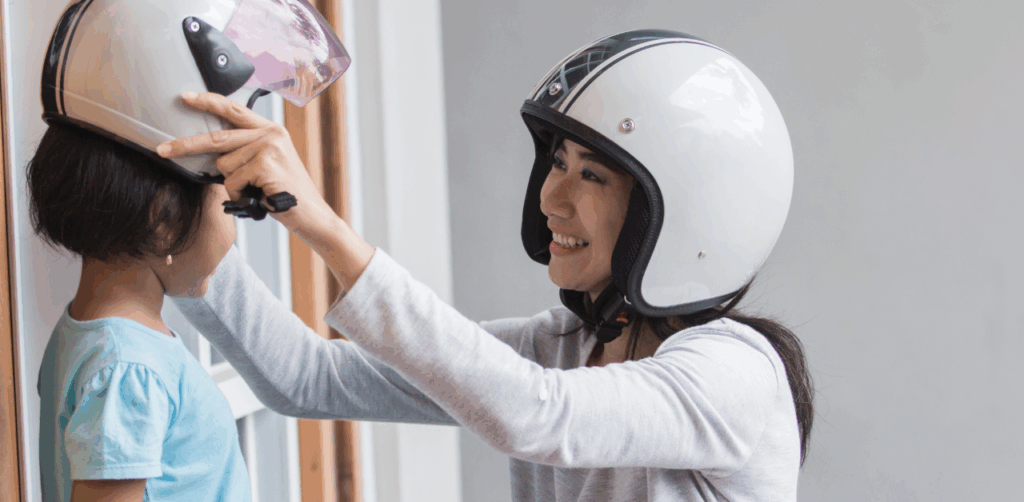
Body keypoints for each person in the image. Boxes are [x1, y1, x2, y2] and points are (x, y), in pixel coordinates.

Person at [155, 29, 815, 501]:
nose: (552, 199)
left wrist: (320, 224)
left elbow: (537, 416)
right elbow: (305, 379)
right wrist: (176, 236)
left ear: (680, 215)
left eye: (591, 176)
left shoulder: (736, 376)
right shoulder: (559, 349)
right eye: (556, 164)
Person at [29, 123, 248, 501]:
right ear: (164, 218)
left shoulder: (86, 334)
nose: (233, 230)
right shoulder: (130, 368)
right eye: (226, 203)